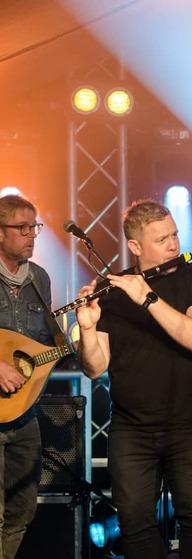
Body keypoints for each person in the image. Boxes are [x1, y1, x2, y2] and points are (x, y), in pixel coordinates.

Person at [75, 200, 192, 559]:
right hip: (131, 428)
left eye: (174, 235)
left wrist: (147, 297)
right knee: (134, 524)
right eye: (161, 239)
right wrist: (87, 329)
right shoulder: (111, 290)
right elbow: (94, 367)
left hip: (189, 424)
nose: (173, 245)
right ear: (135, 247)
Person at [0, 195, 55, 559]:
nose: (31, 235)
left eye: (34, 227)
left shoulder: (40, 279)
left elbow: (44, 347)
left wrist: (81, 338)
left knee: (23, 510)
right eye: (22, 228)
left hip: (25, 413)